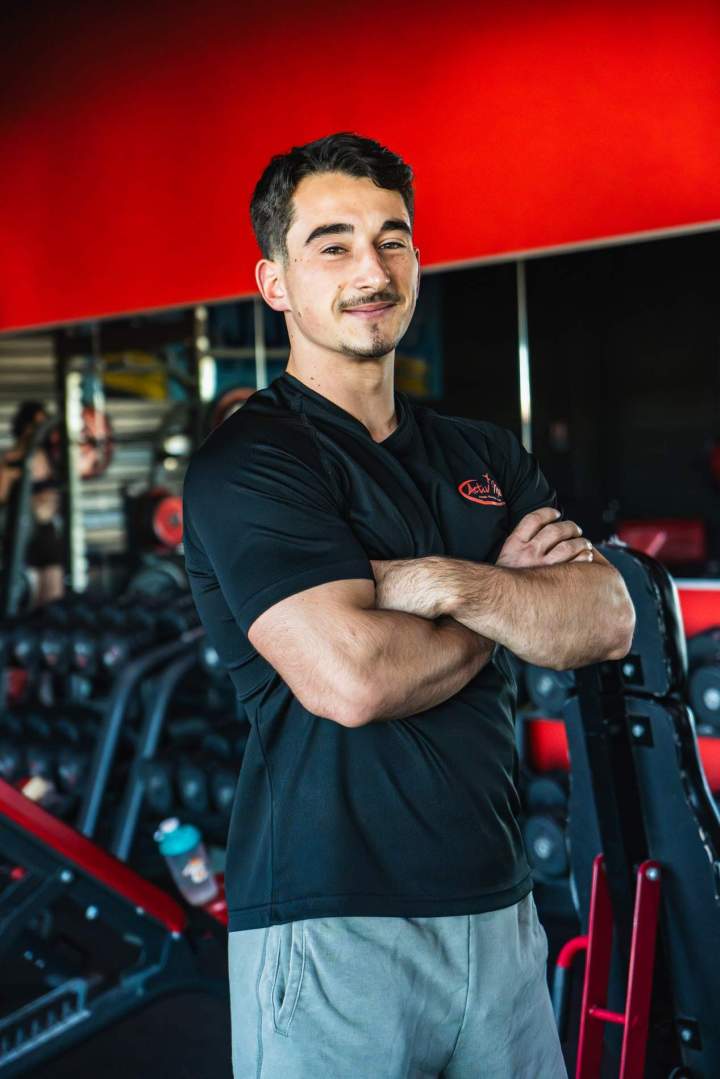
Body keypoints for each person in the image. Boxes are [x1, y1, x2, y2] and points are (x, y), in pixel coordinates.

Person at [182, 133, 635, 1078]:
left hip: (500, 905)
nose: (372, 270)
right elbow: (353, 677)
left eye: (394, 239)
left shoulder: (483, 454)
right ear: (274, 283)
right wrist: (508, 598)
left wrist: (441, 582)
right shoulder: (254, 463)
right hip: (332, 922)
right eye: (333, 244)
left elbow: (603, 619)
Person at [0, 400, 64, 606]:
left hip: (45, 533)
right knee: (29, 593)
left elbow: (54, 497)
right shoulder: (9, 459)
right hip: (19, 532)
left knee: (53, 591)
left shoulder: (48, 458)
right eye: (35, 425)